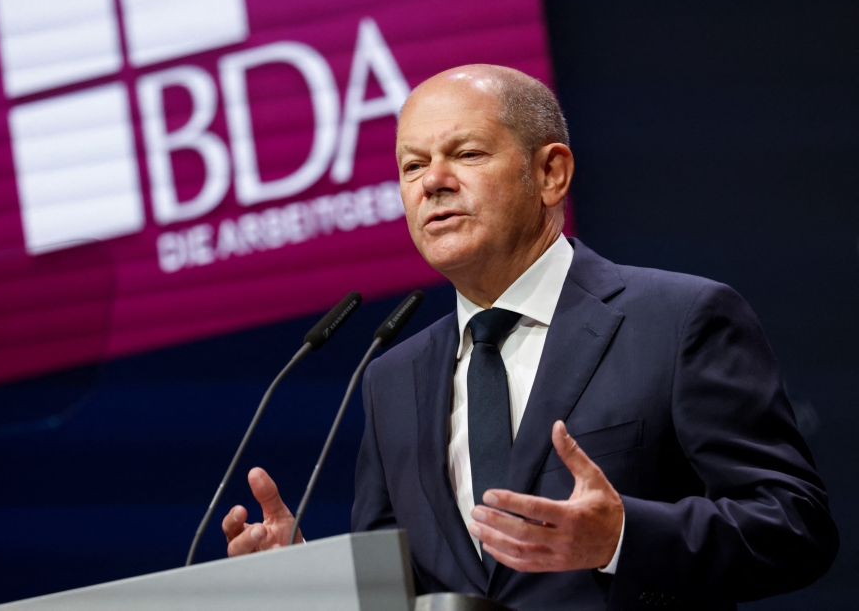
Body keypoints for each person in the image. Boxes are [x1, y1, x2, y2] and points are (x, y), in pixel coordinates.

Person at [221, 65, 838, 609]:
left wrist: (622, 537)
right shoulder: (392, 377)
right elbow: (407, 590)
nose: (432, 182)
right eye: (412, 165)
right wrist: (311, 581)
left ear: (550, 173)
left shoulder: (678, 319)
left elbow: (794, 525)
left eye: (466, 154)